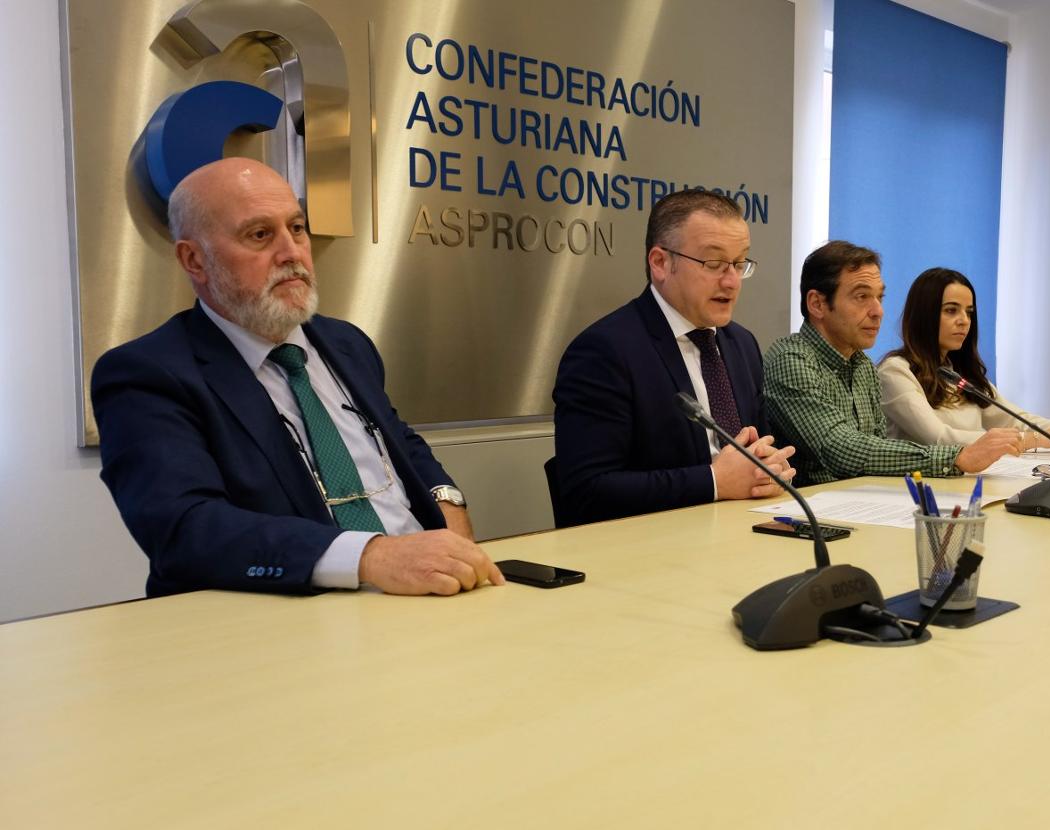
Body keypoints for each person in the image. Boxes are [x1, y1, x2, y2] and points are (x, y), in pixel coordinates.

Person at [92, 158, 504, 598]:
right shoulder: (147, 374)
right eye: (259, 234)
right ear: (194, 259)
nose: (292, 253)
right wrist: (369, 556)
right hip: (287, 614)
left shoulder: (347, 344)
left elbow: (399, 441)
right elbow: (185, 529)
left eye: (297, 228)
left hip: (425, 592)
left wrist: (446, 499)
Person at [552, 189, 796, 526]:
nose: (732, 281)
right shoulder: (604, 351)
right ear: (661, 263)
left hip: (744, 531)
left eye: (740, 264)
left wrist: (769, 468)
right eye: (714, 264)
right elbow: (587, 490)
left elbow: (756, 450)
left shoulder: (742, 344)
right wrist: (714, 481)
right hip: (651, 543)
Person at [764, 241, 1021, 485]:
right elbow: (840, 448)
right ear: (817, 304)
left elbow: (876, 449)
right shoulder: (791, 359)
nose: (878, 311)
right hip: (809, 507)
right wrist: (956, 457)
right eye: (861, 297)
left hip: (859, 498)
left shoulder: (863, 366)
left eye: (880, 297)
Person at [879, 268, 1050, 448]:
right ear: (924, 316)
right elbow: (940, 438)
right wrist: (1036, 440)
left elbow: (1015, 420)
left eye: (969, 312)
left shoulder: (956, 373)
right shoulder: (896, 372)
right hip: (920, 490)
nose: (964, 321)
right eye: (951, 310)